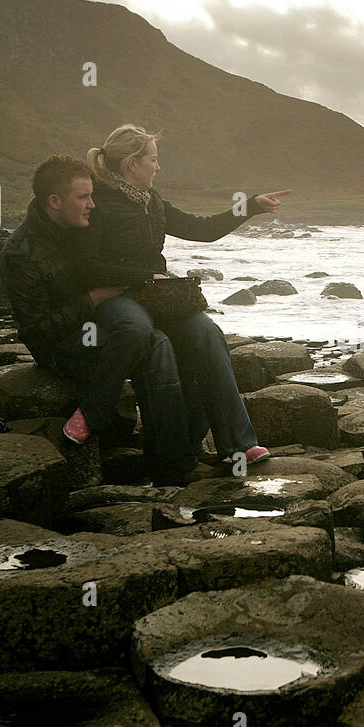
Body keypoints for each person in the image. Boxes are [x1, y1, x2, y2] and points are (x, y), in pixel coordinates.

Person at [72, 123, 291, 475]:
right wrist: (141, 277)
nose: (157, 167)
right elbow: (88, 267)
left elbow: (200, 228)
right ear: (132, 164)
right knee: (149, 336)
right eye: (153, 160)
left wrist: (251, 207)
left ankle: (238, 445)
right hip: (118, 295)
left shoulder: (152, 201)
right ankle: (169, 459)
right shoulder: (99, 203)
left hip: (156, 293)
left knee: (207, 333)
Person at [0, 155, 214, 485]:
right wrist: (93, 299)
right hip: (63, 344)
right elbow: (36, 331)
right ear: (55, 202)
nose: (92, 204)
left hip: (101, 329)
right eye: (84, 197)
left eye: (92, 195)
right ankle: (157, 453)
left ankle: (181, 454)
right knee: (147, 340)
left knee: (169, 338)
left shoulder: (77, 228)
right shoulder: (22, 252)